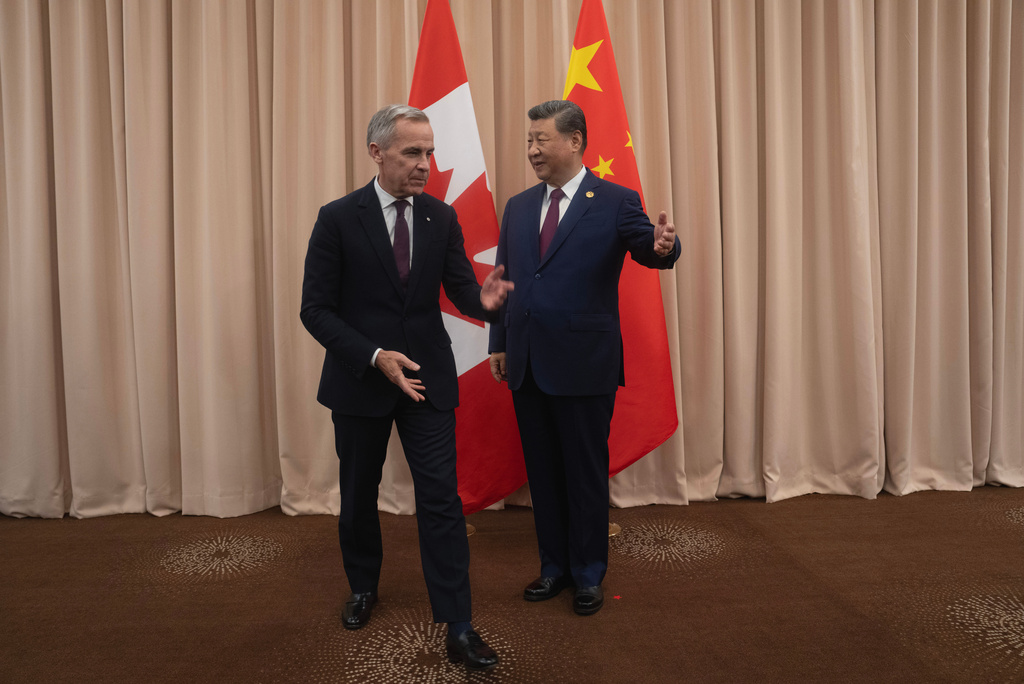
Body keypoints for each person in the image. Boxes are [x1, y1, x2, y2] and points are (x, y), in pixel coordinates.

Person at [300, 104, 511, 671]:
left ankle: (459, 625)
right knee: (358, 495)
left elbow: (462, 293)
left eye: (431, 152)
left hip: (425, 380)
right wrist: (372, 355)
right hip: (361, 381)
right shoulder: (337, 218)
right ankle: (363, 586)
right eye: (413, 152)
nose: (426, 164)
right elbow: (314, 310)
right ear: (377, 153)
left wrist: (486, 302)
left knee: (441, 499)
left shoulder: (440, 219)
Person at [488, 100, 680, 616]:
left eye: (541, 140)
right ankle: (554, 568)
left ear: (574, 142)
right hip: (526, 360)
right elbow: (504, 281)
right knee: (544, 475)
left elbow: (647, 247)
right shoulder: (518, 206)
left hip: (583, 362)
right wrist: (499, 342)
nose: (531, 150)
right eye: (528, 141)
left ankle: (589, 573)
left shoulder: (615, 200)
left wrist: (665, 246)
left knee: (584, 473)